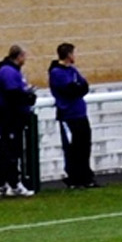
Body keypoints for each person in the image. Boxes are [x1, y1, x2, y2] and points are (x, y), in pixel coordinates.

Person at [47, 43, 95, 189]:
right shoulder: (57, 72)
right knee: (73, 148)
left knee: (85, 145)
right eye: (73, 53)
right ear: (68, 55)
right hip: (68, 115)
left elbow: (84, 86)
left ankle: (86, 177)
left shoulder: (73, 70)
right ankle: (74, 178)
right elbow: (70, 90)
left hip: (80, 113)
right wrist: (77, 88)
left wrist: (78, 88)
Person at [0, 45, 36, 197]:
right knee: (10, 152)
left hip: (12, 118)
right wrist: (27, 97)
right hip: (8, 119)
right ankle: (14, 184)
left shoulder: (13, 71)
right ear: (19, 56)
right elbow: (13, 94)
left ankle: (1, 183)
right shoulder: (8, 71)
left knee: (8, 152)